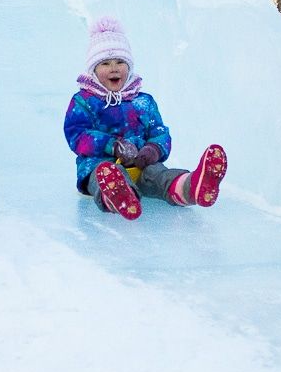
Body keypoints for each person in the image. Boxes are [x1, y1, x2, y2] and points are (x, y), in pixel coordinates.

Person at [64, 16, 227, 220]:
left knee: (160, 175)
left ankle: (192, 187)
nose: (114, 68)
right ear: (93, 71)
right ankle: (119, 197)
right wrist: (112, 145)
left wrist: (152, 151)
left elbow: (160, 132)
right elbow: (77, 135)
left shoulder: (143, 101)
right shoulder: (84, 101)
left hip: (142, 165)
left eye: (120, 62)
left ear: (129, 67)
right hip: (101, 165)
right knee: (103, 176)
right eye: (105, 63)